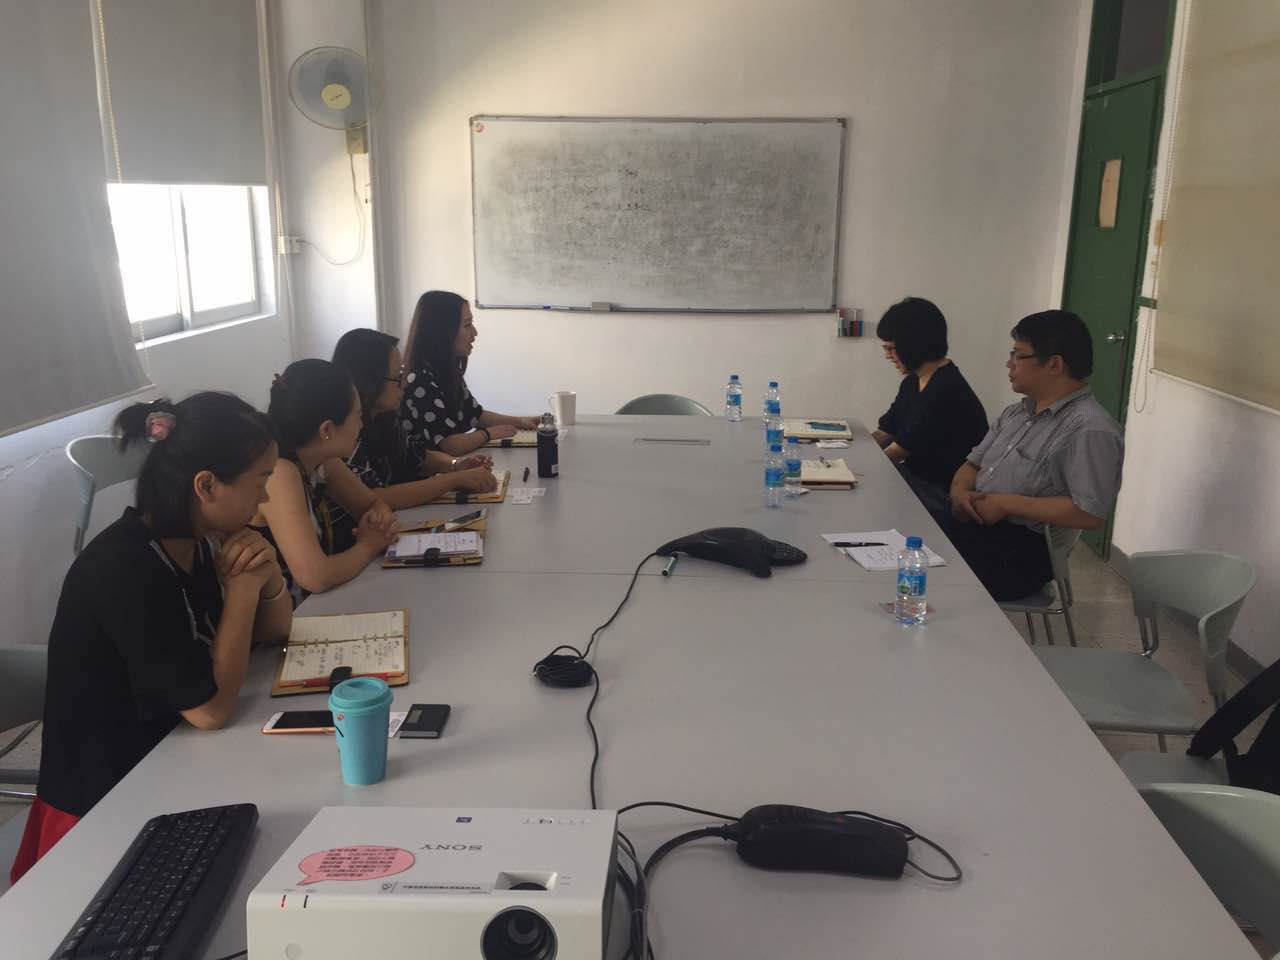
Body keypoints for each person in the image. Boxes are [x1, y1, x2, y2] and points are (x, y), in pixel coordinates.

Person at [11, 393, 293, 883]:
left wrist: (265, 576)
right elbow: (210, 711)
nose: (264, 499)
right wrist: (243, 589)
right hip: (105, 805)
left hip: (174, 758)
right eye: (259, 482)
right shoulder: (124, 569)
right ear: (206, 486)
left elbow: (276, 631)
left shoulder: (194, 541)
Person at [942, 310, 1124, 601]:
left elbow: (1089, 513)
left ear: (1054, 364)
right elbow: (972, 465)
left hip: (1019, 553)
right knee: (905, 529)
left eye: (1018, 355)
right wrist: (960, 492)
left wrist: (1005, 504)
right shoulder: (1016, 413)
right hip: (979, 528)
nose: (1009, 363)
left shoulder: (1090, 429)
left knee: (921, 567)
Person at [254, 359, 400, 602]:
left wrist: (379, 523)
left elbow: (372, 504)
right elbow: (316, 576)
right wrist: (369, 545)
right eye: (357, 416)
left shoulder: (322, 460)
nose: (361, 425)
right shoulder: (279, 472)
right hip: (288, 615)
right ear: (327, 430)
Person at [331, 328, 499, 523]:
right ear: (369, 381)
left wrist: (456, 465)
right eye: (398, 377)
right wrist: (454, 479)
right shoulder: (346, 431)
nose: (404, 384)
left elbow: (416, 455)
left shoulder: (385, 417)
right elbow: (376, 497)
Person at [870, 297, 988, 512]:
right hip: (917, 479)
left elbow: (897, 452)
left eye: (891, 348)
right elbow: (885, 432)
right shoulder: (913, 381)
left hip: (942, 493)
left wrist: (854, 467)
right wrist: (851, 453)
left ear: (914, 345)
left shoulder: (946, 389)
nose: (887, 356)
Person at [400, 291, 539, 456]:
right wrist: (488, 434)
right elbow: (449, 445)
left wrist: (521, 421)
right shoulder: (419, 379)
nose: (475, 333)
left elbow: (476, 415)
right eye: (467, 325)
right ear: (443, 331)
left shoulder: (447, 369)